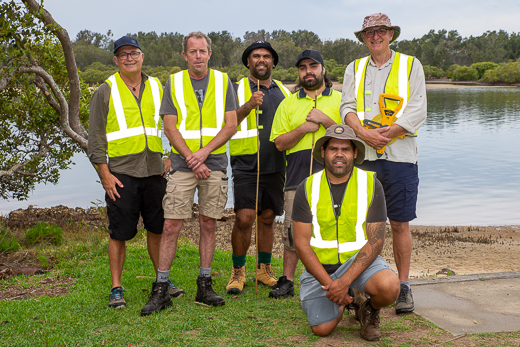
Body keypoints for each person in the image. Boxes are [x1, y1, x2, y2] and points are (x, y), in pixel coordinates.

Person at [140, 31, 238, 315]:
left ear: (209, 53)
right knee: (171, 225)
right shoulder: (174, 82)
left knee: (209, 224)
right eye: (192, 51)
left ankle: (204, 285)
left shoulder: (223, 81)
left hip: (214, 164)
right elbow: (169, 127)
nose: (197, 56)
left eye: (202, 51)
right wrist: (192, 159)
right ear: (185, 55)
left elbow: (230, 125)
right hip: (184, 167)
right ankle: (161, 288)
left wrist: (203, 154)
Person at [340, 13, 427, 314]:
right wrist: (363, 133)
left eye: (381, 31)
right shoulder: (354, 67)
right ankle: (360, 285)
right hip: (364, 156)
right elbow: (347, 108)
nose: (375, 36)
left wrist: (388, 134)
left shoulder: (411, 64)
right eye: (369, 33)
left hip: (400, 157)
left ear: (391, 34)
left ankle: (402, 286)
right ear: (363, 38)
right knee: (364, 225)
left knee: (399, 223)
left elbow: (418, 108)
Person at [293, 124, 400, 341]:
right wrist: (333, 285)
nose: (339, 154)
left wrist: (344, 281)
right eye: (333, 149)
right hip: (321, 269)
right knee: (321, 330)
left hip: (359, 264)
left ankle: (367, 309)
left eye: (345, 149)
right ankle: (348, 298)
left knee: (390, 287)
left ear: (355, 153)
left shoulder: (371, 184)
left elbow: (376, 240)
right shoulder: (307, 186)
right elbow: (301, 244)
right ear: (323, 153)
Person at [88, 36, 168, 309]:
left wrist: (168, 156)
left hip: (155, 172)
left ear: (142, 56)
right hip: (121, 174)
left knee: (157, 229)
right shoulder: (105, 90)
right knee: (119, 233)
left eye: (134, 53)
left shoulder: (157, 86)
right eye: (123, 55)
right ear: (116, 60)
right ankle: (116, 288)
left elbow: (171, 125)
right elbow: (96, 137)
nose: (129, 58)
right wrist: (104, 174)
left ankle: (162, 281)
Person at [269, 49, 341, 298]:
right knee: (292, 230)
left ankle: (336, 277)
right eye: (302, 68)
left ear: (323, 69)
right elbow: (279, 143)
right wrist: (303, 128)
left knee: (333, 226)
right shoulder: (288, 103)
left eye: (313, 66)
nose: (308, 71)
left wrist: (325, 121)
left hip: (334, 177)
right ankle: (287, 280)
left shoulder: (341, 101)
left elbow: (351, 137)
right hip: (297, 178)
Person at [226, 41, 291, 294]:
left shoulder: (284, 91)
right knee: (244, 217)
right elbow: (227, 122)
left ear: (273, 62)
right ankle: (238, 271)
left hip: (276, 164)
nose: (261, 60)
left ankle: (264, 269)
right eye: (256, 56)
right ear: (248, 62)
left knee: (267, 217)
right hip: (245, 164)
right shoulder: (235, 89)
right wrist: (248, 105)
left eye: (266, 56)